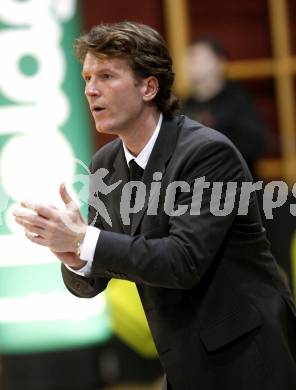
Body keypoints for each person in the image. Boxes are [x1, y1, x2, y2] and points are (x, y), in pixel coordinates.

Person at [14, 22, 296, 390]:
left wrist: (85, 240)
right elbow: (93, 279)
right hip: (185, 358)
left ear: (149, 86)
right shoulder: (106, 164)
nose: (90, 89)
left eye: (106, 76)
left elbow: (182, 261)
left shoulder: (207, 153)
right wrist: (72, 253)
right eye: (86, 77)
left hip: (249, 355)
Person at [182, 36, 268, 176]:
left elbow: (258, 144)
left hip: (238, 187)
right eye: (189, 58)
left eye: (199, 58)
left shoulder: (237, 100)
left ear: (220, 63)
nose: (191, 63)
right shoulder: (183, 106)